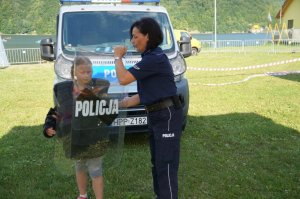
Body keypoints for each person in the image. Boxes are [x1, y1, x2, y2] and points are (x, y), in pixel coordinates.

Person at [114, 17, 184, 199]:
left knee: (166, 165)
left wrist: (117, 57)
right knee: (158, 163)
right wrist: (118, 104)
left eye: (136, 36)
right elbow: (148, 93)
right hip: (156, 115)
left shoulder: (155, 59)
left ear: (148, 36)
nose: (132, 41)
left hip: (166, 116)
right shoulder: (150, 58)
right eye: (132, 37)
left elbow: (123, 79)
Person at [43, 56, 106, 199]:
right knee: (80, 166)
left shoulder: (99, 88)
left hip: (94, 137)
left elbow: (107, 111)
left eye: (89, 72)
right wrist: (48, 127)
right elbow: (56, 111)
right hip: (74, 138)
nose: (86, 75)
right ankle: (83, 195)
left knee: (95, 170)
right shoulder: (64, 90)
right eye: (83, 72)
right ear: (74, 73)